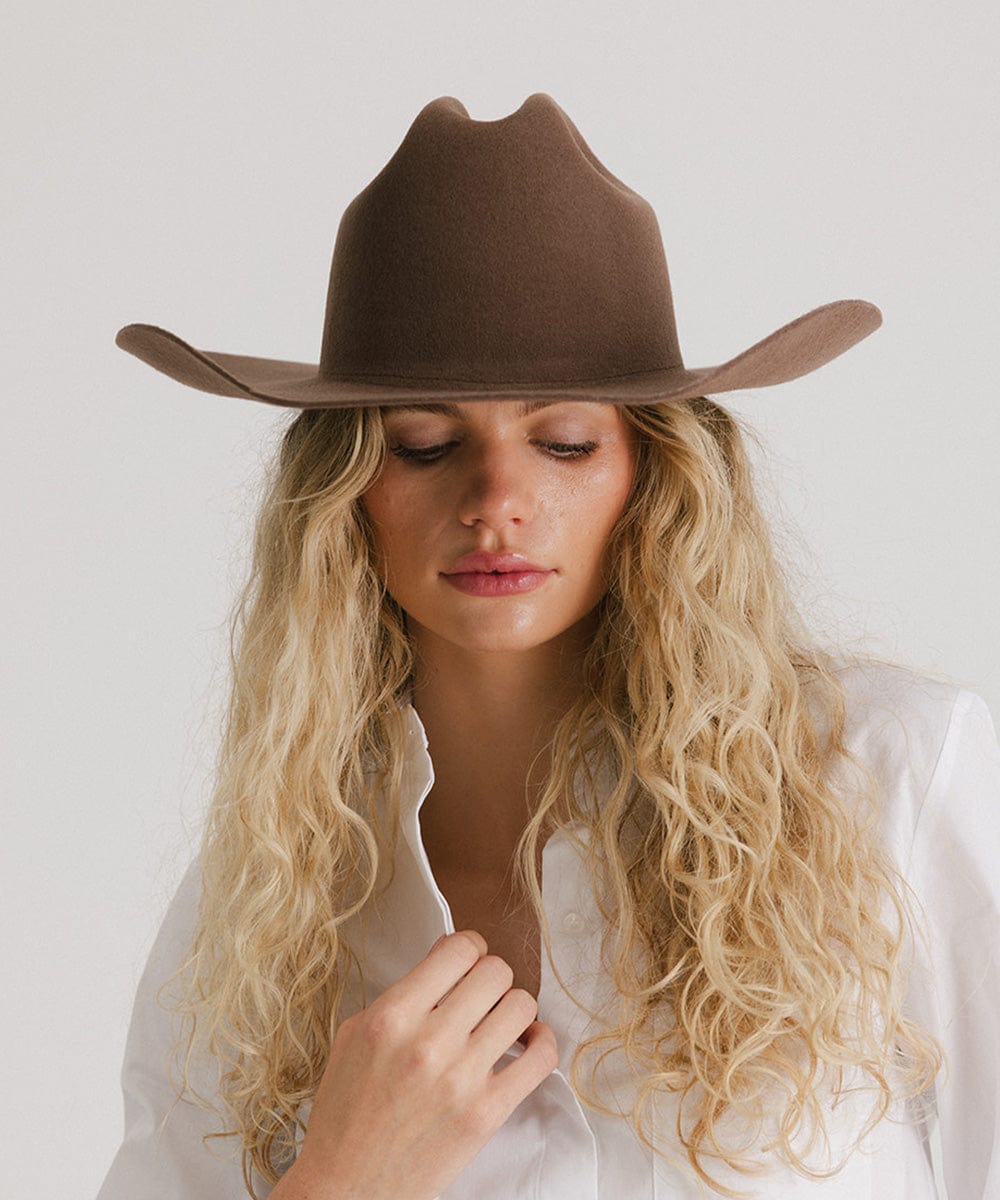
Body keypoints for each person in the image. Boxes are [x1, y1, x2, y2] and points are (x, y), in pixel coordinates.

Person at [99, 94, 999, 1199]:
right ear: (340, 497)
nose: (497, 502)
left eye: (564, 441)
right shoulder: (261, 905)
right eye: (425, 447)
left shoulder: (890, 780)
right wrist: (338, 1181)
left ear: (655, 474)